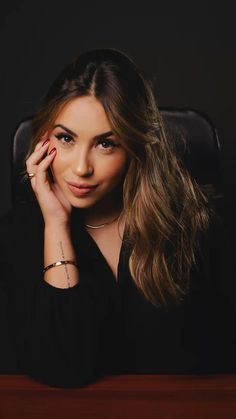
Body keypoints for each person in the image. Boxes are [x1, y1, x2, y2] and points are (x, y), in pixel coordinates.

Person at [0, 48, 235, 388]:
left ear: (134, 148)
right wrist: (56, 225)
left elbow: (216, 359)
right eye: (66, 139)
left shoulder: (190, 225)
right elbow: (63, 368)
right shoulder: (17, 234)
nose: (81, 168)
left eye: (106, 144)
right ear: (42, 140)